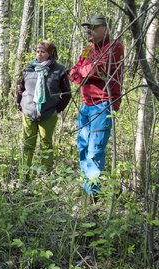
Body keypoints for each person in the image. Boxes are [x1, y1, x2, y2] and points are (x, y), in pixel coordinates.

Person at [69, 14, 124, 199]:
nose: (89, 31)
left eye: (93, 27)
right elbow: (73, 73)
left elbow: (99, 69)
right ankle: (88, 188)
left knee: (95, 151)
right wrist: (86, 71)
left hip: (103, 105)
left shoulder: (115, 46)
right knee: (83, 147)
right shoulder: (87, 49)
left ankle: (93, 195)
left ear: (105, 29)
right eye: (87, 27)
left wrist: (86, 71)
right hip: (86, 105)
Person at [16, 40, 72, 177]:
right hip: (29, 111)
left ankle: (45, 176)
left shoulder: (59, 71)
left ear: (51, 54)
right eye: (37, 51)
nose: (39, 54)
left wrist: (57, 109)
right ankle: (25, 174)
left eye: (43, 52)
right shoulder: (29, 68)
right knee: (28, 144)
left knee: (46, 145)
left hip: (48, 113)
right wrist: (20, 104)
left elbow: (66, 94)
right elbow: (20, 89)